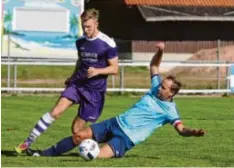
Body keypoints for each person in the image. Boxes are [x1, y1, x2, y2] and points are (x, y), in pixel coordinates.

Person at [26, 42, 205, 158]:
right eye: (161, 85)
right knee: (78, 136)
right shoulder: (155, 87)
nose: (159, 87)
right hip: (114, 123)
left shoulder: (170, 111)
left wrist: (193, 131)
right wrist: (161, 51)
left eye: (164, 88)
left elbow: (181, 130)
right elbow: (154, 65)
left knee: (94, 155)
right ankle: (42, 154)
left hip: (126, 139)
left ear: (171, 94)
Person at [14, 8, 118, 154]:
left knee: (76, 131)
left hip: (95, 91)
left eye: (88, 26)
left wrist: (98, 71)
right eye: (83, 26)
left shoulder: (108, 43)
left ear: (96, 24)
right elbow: (81, 61)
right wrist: (72, 76)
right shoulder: (80, 42)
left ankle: (99, 147)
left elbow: (114, 69)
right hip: (78, 84)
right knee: (56, 112)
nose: (85, 30)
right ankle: (27, 142)